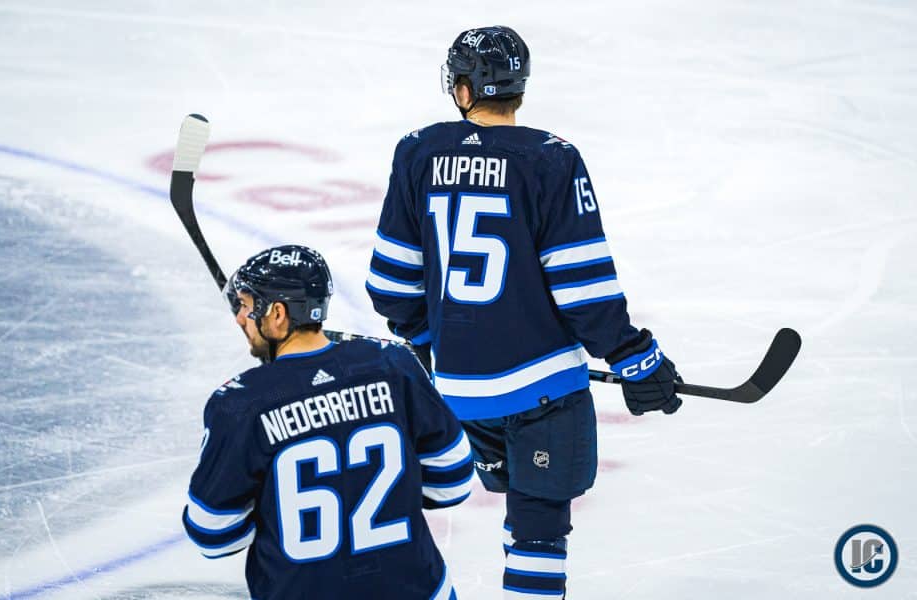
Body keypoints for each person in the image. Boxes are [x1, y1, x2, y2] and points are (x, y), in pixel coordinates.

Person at [365, 26, 683, 598]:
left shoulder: (417, 151)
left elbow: (390, 283)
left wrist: (430, 342)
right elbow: (582, 285)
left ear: (464, 88)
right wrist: (634, 356)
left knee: (474, 511)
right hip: (542, 392)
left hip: (459, 393)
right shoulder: (551, 159)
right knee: (538, 527)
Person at [183, 244, 472, 600]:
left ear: (277, 314)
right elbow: (452, 481)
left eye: (245, 305)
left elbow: (213, 534)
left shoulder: (240, 404)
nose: (240, 318)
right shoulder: (394, 365)